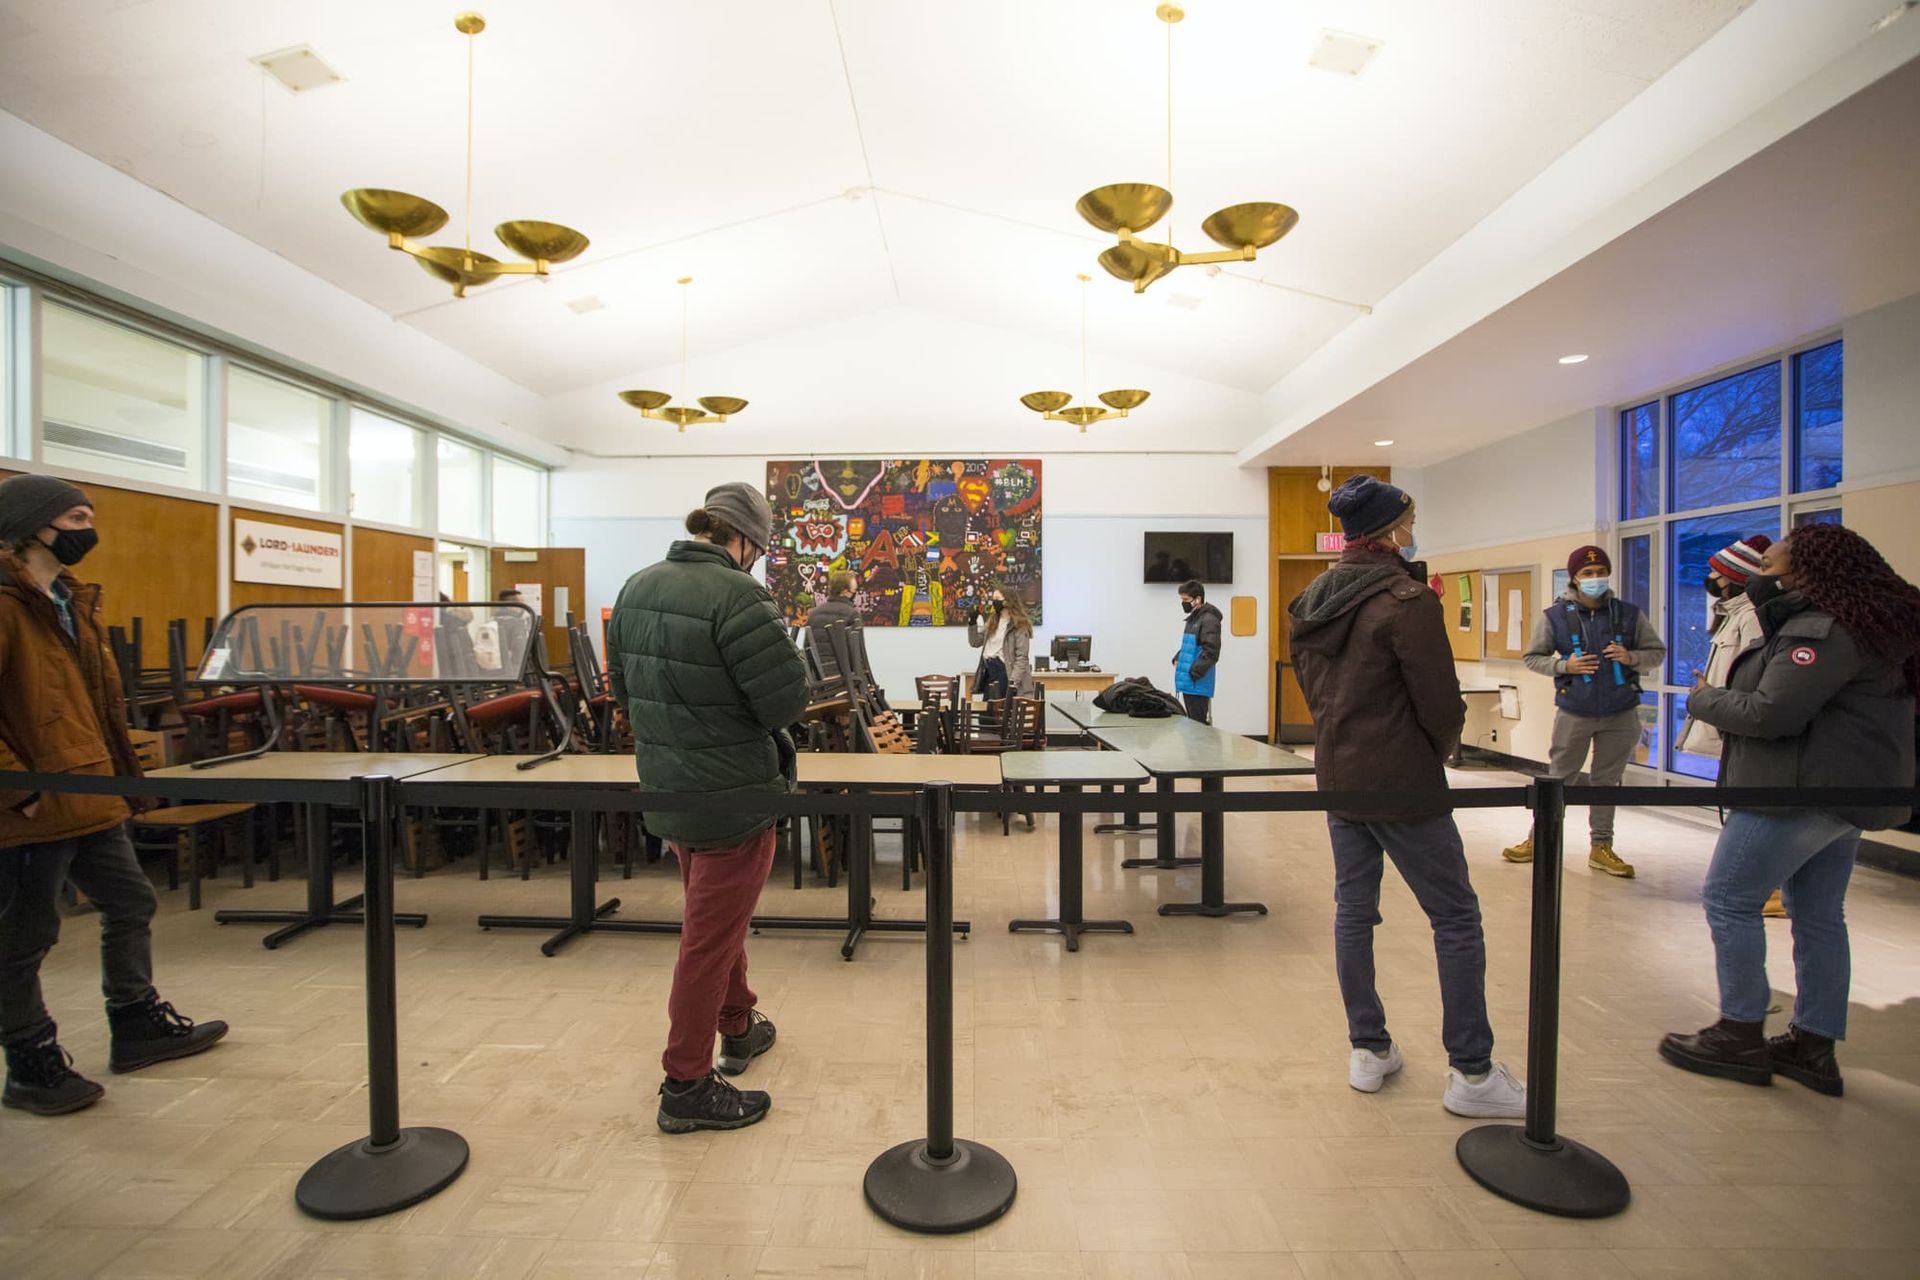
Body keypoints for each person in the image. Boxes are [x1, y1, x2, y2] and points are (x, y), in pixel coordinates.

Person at [1288, 475, 1526, 1118]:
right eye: (1409, 521)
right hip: (1404, 783)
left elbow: (1316, 693)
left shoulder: (1311, 599)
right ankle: (1473, 1074)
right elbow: (1441, 702)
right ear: (1391, 532)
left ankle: (1368, 1049)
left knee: (1353, 913)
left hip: (1339, 778)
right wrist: (1437, 749)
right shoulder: (1406, 600)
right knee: (1454, 918)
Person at [1659, 524, 1920, 1096]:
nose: (1763, 563)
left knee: (1729, 899)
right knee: (1818, 913)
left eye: (1773, 559)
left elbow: (1769, 713)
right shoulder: (1861, 624)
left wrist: (1702, 697)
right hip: (1838, 792)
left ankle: (1739, 1031)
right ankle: (1813, 1044)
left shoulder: (1822, 629)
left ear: (1803, 570)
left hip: (1798, 791)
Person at [0, 474, 227, 1116]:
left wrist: (124, 775)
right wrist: (20, 790)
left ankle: (135, 1023)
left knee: (130, 901)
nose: (86, 531)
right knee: (22, 938)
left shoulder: (71, 600)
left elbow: (100, 705)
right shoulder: (7, 604)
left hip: (92, 788)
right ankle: (30, 1061)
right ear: (32, 525)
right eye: (75, 518)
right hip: (33, 800)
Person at [604, 481, 809, 1133]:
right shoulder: (740, 594)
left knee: (716, 921)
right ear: (744, 538)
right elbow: (783, 705)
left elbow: (621, 692)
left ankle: (740, 1024)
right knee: (706, 939)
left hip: (669, 788)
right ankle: (686, 1082)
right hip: (734, 797)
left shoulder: (635, 587)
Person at [1504, 545, 1665, 878]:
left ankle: (1601, 846)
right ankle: (1539, 838)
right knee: (1558, 777)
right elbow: (1533, 657)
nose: (1595, 579)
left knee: (1607, 781)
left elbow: (1656, 652)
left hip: (1621, 711)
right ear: (1574, 578)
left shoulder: (1629, 614)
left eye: (1600, 572)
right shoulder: (1555, 617)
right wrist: (1565, 664)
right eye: (1587, 574)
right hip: (1574, 710)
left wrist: (1631, 657)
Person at [1677, 535, 1787, 917]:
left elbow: (1757, 676)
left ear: (1734, 576)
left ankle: (1769, 887)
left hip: (1740, 721)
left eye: (1716, 573)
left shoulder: (1752, 617)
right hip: (1727, 716)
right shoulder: (1733, 614)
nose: (1710, 578)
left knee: (1752, 813)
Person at [967, 584, 1034, 699]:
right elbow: (975, 642)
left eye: (997, 599)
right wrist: (972, 622)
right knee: (987, 713)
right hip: (989, 670)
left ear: (1008, 601)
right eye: (993, 599)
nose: (994, 602)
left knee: (999, 712)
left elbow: (1021, 658)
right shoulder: (992, 621)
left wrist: (1013, 683)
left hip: (1004, 671)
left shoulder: (1019, 625)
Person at [804, 570, 870, 684]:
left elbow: (807, 648)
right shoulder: (852, 614)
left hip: (817, 677)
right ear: (845, 591)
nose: (855, 594)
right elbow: (856, 653)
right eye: (854, 590)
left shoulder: (814, 614)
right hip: (844, 677)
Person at [1173, 579, 1222, 723]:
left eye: (1186, 599)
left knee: (1197, 727)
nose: (1183, 603)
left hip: (1197, 683)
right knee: (1191, 728)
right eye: (1182, 599)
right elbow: (1190, 645)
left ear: (1198, 599)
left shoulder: (1209, 620)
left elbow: (1211, 651)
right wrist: (1178, 657)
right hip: (1189, 683)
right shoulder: (1193, 619)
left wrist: (1193, 673)